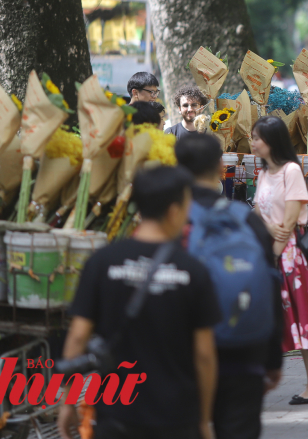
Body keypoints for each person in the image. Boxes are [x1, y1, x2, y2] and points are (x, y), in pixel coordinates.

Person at [58, 166, 221, 439]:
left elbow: (77, 337)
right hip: (176, 418)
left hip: (117, 414)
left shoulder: (102, 262)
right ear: (173, 210)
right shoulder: (192, 271)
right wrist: (204, 420)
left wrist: (67, 402)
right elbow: (204, 355)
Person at [176, 133, 283, 439]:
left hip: (185, 357)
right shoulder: (246, 221)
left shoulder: (171, 221)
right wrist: (273, 358)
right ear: (220, 166)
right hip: (244, 353)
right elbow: (272, 285)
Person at [251, 116, 308, 403]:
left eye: (256, 138)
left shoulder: (291, 171)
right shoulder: (263, 173)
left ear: (272, 141)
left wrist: (273, 253)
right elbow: (258, 213)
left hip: (288, 257)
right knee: (270, 320)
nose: (252, 143)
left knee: (301, 320)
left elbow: (287, 223)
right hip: (272, 253)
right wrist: (268, 231)